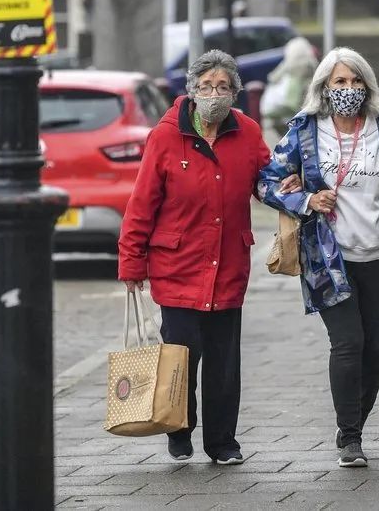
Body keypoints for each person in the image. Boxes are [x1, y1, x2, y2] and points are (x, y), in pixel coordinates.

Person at [117, 49, 299, 465]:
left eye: (222, 87)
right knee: (182, 353)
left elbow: (267, 182)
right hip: (176, 265)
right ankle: (179, 427)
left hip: (229, 265)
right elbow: (142, 203)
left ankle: (223, 443)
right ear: (192, 90)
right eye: (205, 86)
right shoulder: (165, 137)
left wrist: (294, 189)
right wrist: (131, 263)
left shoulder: (248, 133)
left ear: (235, 93)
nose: (214, 94)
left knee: (223, 362)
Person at [258, 47, 379, 468]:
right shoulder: (305, 133)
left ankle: (354, 422)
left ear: (368, 87)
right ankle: (350, 436)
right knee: (349, 343)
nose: (348, 90)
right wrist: (305, 199)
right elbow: (265, 181)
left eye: (356, 82)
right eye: (340, 82)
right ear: (323, 86)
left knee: (376, 349)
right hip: (328, 260)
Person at [261, 36, 318, 137]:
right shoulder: (312, 64)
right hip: (305, 113)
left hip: (289, 112)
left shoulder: (290, 66)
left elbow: (272, 77)